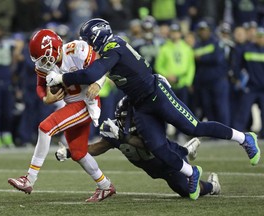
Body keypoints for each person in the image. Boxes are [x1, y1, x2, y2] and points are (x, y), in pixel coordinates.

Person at [46, 18, 260, 200]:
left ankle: (244, 138)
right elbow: (96, 73)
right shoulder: (107, 52)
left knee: (194, 127)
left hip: (156, 94)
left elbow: (93, 73)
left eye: (88, 40)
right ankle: (191, 171)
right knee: (156, 147)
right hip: (140, 103)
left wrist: (62, 77)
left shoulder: (114, 47)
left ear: (97, 36)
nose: (87, 45)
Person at [8, 29, 116, 202]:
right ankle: (105, 186)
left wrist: (97, 82)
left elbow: (102, 65)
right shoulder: (44, 65)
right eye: (40, 60)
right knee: (78, 152)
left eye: (44, 58)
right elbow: (40, 85)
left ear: (54, 48)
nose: (43, 63)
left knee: (45, 127)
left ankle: (29, 179)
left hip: (86, 103)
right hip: (71, 104)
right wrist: (46, 98)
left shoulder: (77, 50)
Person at [55, 96, 221, 198]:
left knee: (186, 191)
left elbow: (149, 146)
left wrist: (124, 137)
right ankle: (187, 149)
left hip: (169, 163)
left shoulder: (146, 127)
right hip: (154, 169)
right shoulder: (115, 131)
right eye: (122, 118)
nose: (126, 121)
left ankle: (213, 186)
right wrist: (70, 152)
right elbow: (97, 147)